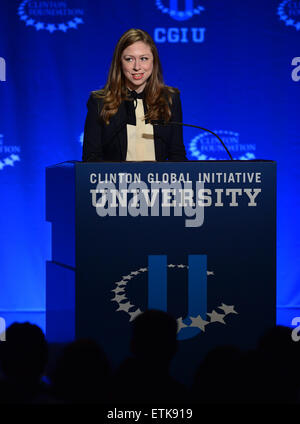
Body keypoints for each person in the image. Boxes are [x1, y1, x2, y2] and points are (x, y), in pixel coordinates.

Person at [82, 28, 187, 162]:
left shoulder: (170, 99)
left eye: (144, 58)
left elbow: (177, 154)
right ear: (120, 62)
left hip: (159, 182)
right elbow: (91, 158)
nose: (137, 67)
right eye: (129, 59)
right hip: (115, 182)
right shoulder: (100, 102)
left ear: (153, 61)